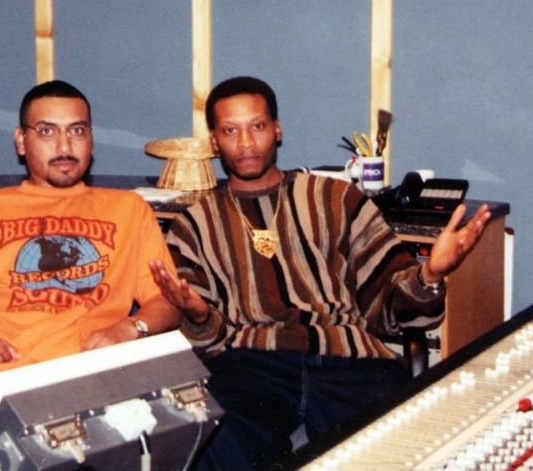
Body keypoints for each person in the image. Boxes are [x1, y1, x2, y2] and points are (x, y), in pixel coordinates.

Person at [149, 76, 491, 470]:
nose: (246, 143)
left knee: (403, 446)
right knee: (211, 442)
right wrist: (197, 315)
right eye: (230, 131)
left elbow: (387, 303)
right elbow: (206, 343)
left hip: (348, 358)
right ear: (214, 142)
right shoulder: (194, 225)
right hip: (252, 363)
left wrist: (429, 274)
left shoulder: (337, 199)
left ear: (277, 130)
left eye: (257, 126)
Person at [0, 80, 181, 469]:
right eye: (47, 131)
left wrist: (130, 327)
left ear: (91, 141)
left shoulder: (129, 210)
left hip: (93, 379)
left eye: (77, 130)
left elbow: (166, 303)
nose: (64, 146)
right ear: (21, 141)